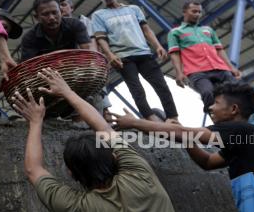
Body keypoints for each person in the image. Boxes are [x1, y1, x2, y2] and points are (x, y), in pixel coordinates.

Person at [112, 82, 254, 212]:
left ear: (233, 109)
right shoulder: (243, 142)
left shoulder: (244, 131)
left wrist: (135, 123)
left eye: (216, 103)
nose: (211, 108)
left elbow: (190, 135)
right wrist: (183, 136)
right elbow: (207, 161)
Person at [12, 67, 174, 212]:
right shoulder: (139, 175)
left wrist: (35, 122)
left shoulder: (78, 206)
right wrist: (67, 92)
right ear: (115, 157)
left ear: (71, 173)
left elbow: (34, 170)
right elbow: (104, 128)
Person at [91, 0, 178, 122]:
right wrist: (110, 55)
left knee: (161, 85)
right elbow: (101, 38)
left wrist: (158, 46)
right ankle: (150, 118)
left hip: (144, 53)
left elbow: (146, 29)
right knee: (137, 90)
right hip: (123, 57)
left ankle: (173, 117)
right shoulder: (98, 15)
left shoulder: (134, 9)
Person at [168, 1, 241, 113]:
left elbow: (220, 50)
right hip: (197, 72)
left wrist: (231, 67)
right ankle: (215, 118)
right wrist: (179, 73)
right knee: (208, 93)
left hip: (220, 69)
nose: (197, 14)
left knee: (238, 90)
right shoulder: (175, 32)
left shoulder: (208, 30)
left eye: (199, 12)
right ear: (184, 12)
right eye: (194, 11)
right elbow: (174, 53)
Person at [58, 0, 113, 119]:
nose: (61, 8)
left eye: (64, 4)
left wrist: (95, 62)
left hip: (89, 63)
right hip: (71, 68)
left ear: (72, 7)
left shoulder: (84, 21)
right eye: (58, 6)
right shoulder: (56, 28)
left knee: (97, 94)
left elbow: (92, 43)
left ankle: (104, 118)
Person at [20, 0, 90, 61]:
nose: (51, 18)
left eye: (54, 12)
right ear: (36, 17)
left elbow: (87, 54)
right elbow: (29, 66)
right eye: (45, 14)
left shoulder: (76, 25)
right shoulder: (29, 38)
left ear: (61, 12)